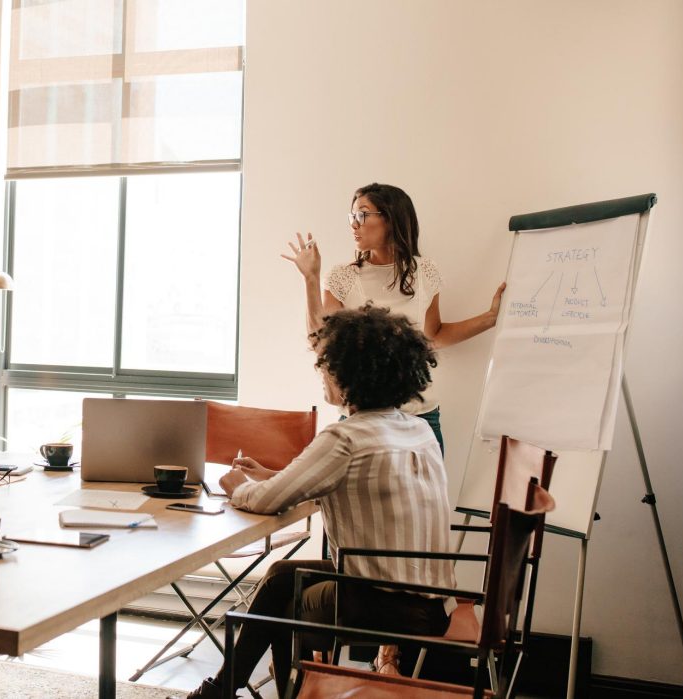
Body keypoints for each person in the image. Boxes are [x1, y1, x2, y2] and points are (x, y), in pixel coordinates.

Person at [183, 306, 455, 699]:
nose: (321, 374)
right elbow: (317, 483)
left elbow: (264, 502)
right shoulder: (416, 430)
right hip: (431, 601)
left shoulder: (346, 437)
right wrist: (271, 477)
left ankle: (225, 689)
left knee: (281, 598)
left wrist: (237, 485)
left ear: (346, 376)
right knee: (281, 575)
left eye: (324, 366)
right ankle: (226, 689)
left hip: (381, 601)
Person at [281, 182, 505, 454]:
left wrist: (491, 318)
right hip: (363, 418)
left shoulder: (425, 272)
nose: (354, 224)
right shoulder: (344, 277)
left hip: (420, 418)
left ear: (391, 218)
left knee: (426, 497)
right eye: (352, 216)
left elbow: (433, 336)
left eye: (362, 215)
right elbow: (322, 343)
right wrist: (311, 278)